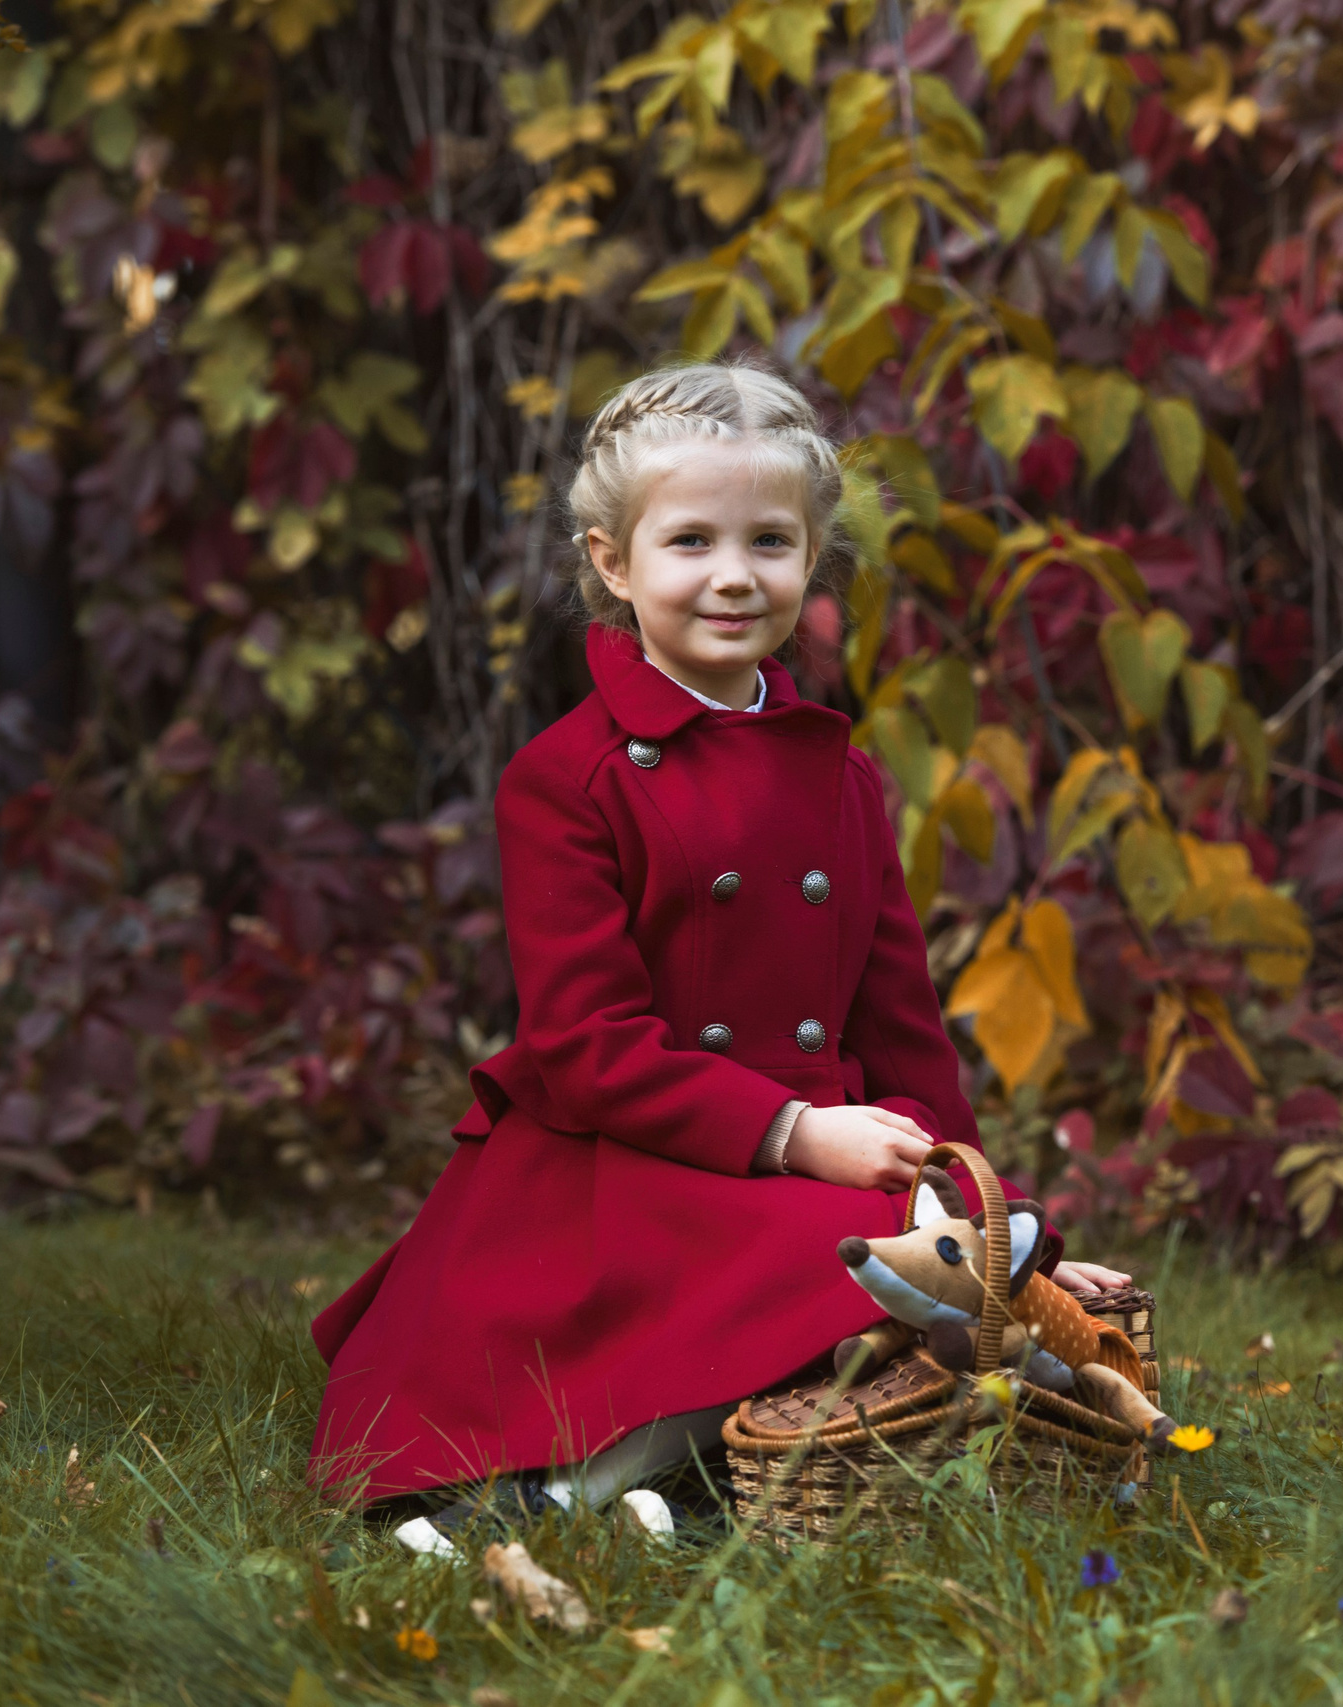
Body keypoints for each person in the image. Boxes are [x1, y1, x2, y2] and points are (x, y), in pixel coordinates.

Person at [306, 359, 1128, 1550]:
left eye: (770, 543)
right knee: (848, 1262)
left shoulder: (840, 777)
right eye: (690, 541)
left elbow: (901, 1030)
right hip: (629, 1156)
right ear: (612, 561)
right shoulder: (566, 779)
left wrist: (1004, 1237)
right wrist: (793, 1135)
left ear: (813, 557)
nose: (735, 576)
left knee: (916, 1259)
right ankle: (568, 1495)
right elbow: (585, 1046)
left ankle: (765, 1453)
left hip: (819, 1149)